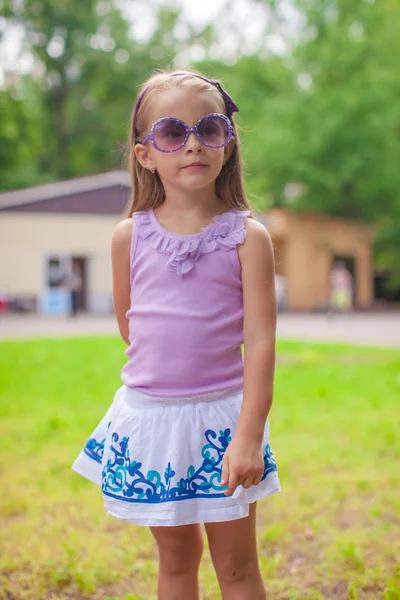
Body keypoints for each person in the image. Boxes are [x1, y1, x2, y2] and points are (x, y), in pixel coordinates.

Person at [72, 69, 280, 600]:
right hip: (153, 422)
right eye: (171, 133)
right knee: (176, 560)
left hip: (221, 421)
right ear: (145, 153)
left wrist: (249, 432)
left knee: (235, 567)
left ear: (227, 143)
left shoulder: (247, 238)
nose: (193, 144)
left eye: (209, 129)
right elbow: (131, 323)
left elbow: (259, 342)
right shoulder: (129, 237)